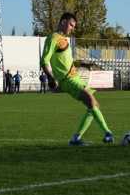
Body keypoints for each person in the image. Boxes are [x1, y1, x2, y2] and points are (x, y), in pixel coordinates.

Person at [41, 12, 114, 146]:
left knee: (94, 106)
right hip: (68, 80)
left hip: (76, 78)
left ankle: (76, 138)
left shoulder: (63, 39)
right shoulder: (53, 38)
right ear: (63, 22)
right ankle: (108, 133)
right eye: (71, 25)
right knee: (91, 102)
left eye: (73, 26)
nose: (72, 28)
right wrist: (51, 78)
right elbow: (44, 60)